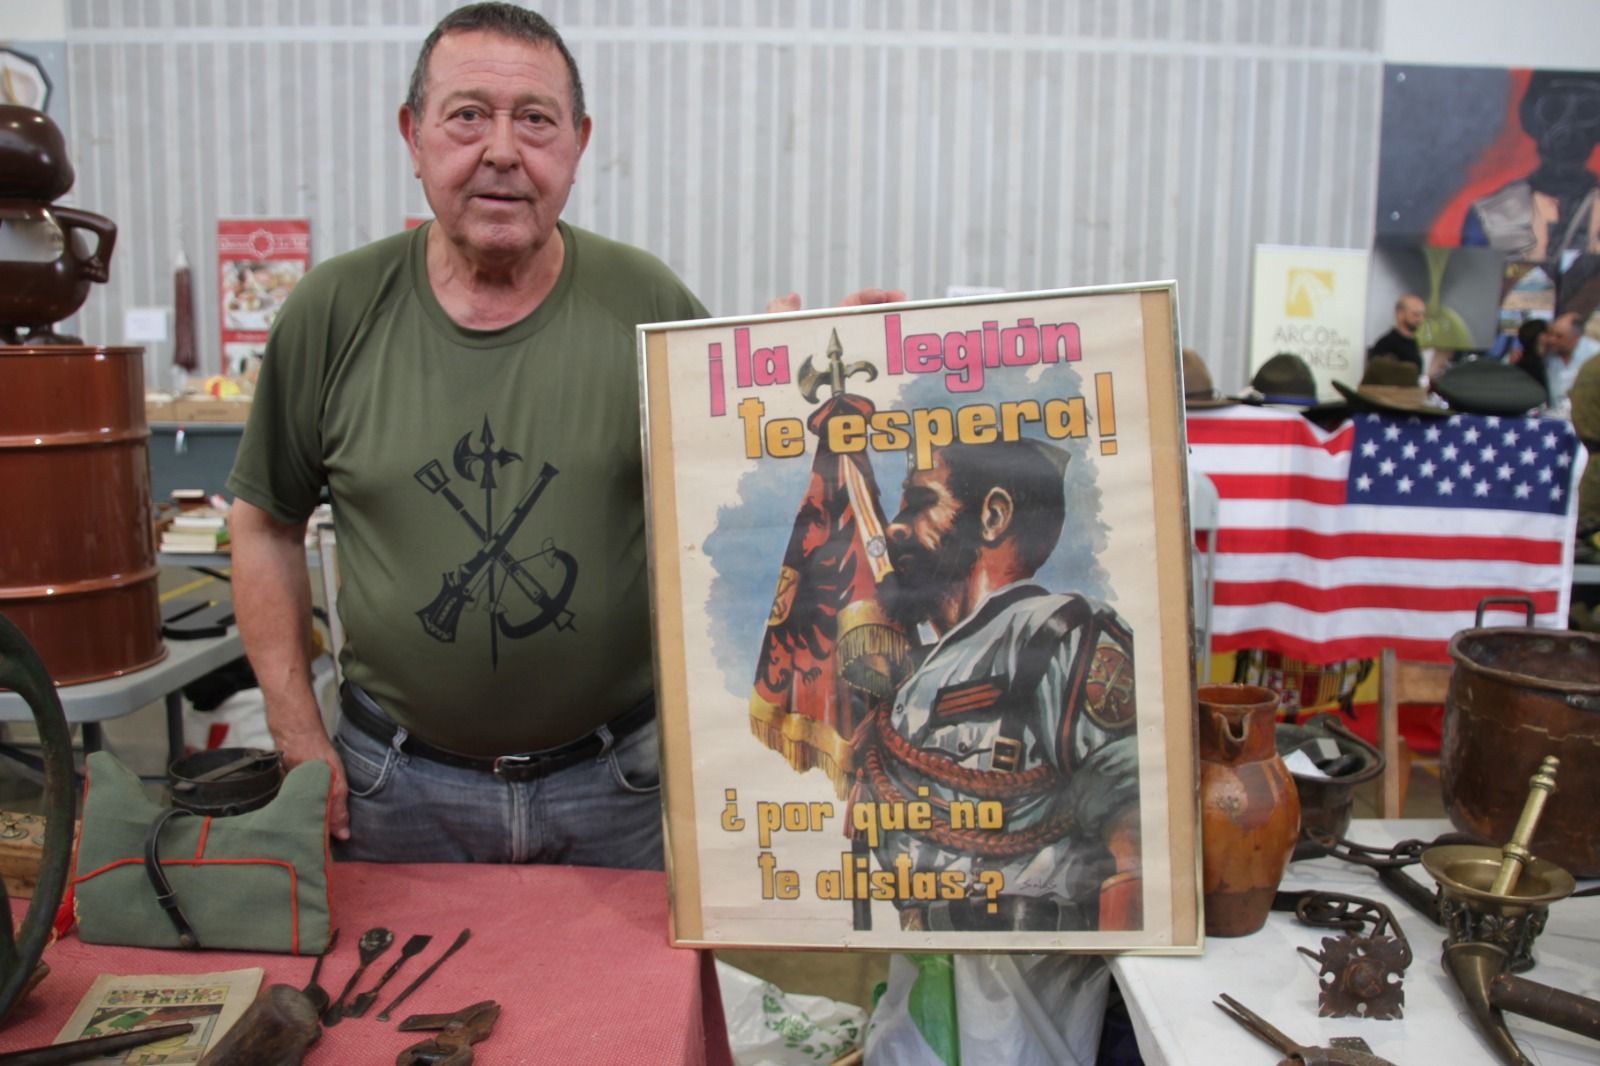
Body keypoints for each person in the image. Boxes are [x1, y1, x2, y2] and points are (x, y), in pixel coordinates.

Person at [226, 2, 898, 866]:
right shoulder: (332, 312)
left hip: (621, 789)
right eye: (467, 115)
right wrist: (296, 734)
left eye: (534, 120)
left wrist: (839, 372)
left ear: (578, 143)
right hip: (391, 791)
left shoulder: (648, 304)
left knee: (626, 1009)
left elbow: (755, 509)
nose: (501, 149)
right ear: (413, 135)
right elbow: (265, 525)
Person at [860, 439, 1142, 933]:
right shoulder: (915, 674)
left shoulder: (1062, 633)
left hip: (1033, 976)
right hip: (927, 954)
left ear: (993, 516)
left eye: (922, 503)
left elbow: (1134, 838)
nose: (893, 526)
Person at [1461, 72, 1600, 259]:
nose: (1567, 128)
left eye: (1586, 111)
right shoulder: (1491, 215)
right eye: (1553, 110)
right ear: (1531, 119)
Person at [1545, 311, 1599, 408]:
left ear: (1576, 337)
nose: (1552, 340)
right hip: (1553, 415)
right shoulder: (1546, 354)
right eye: (1551, 334)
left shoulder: (1595, 354)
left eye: (1559, 336)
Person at [1367, 294, 1426, 371]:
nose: (1420, 319)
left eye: (1422, 315)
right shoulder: (1385, 344)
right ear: (1399, 314)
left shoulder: (1413, 343)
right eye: (1416, 314)